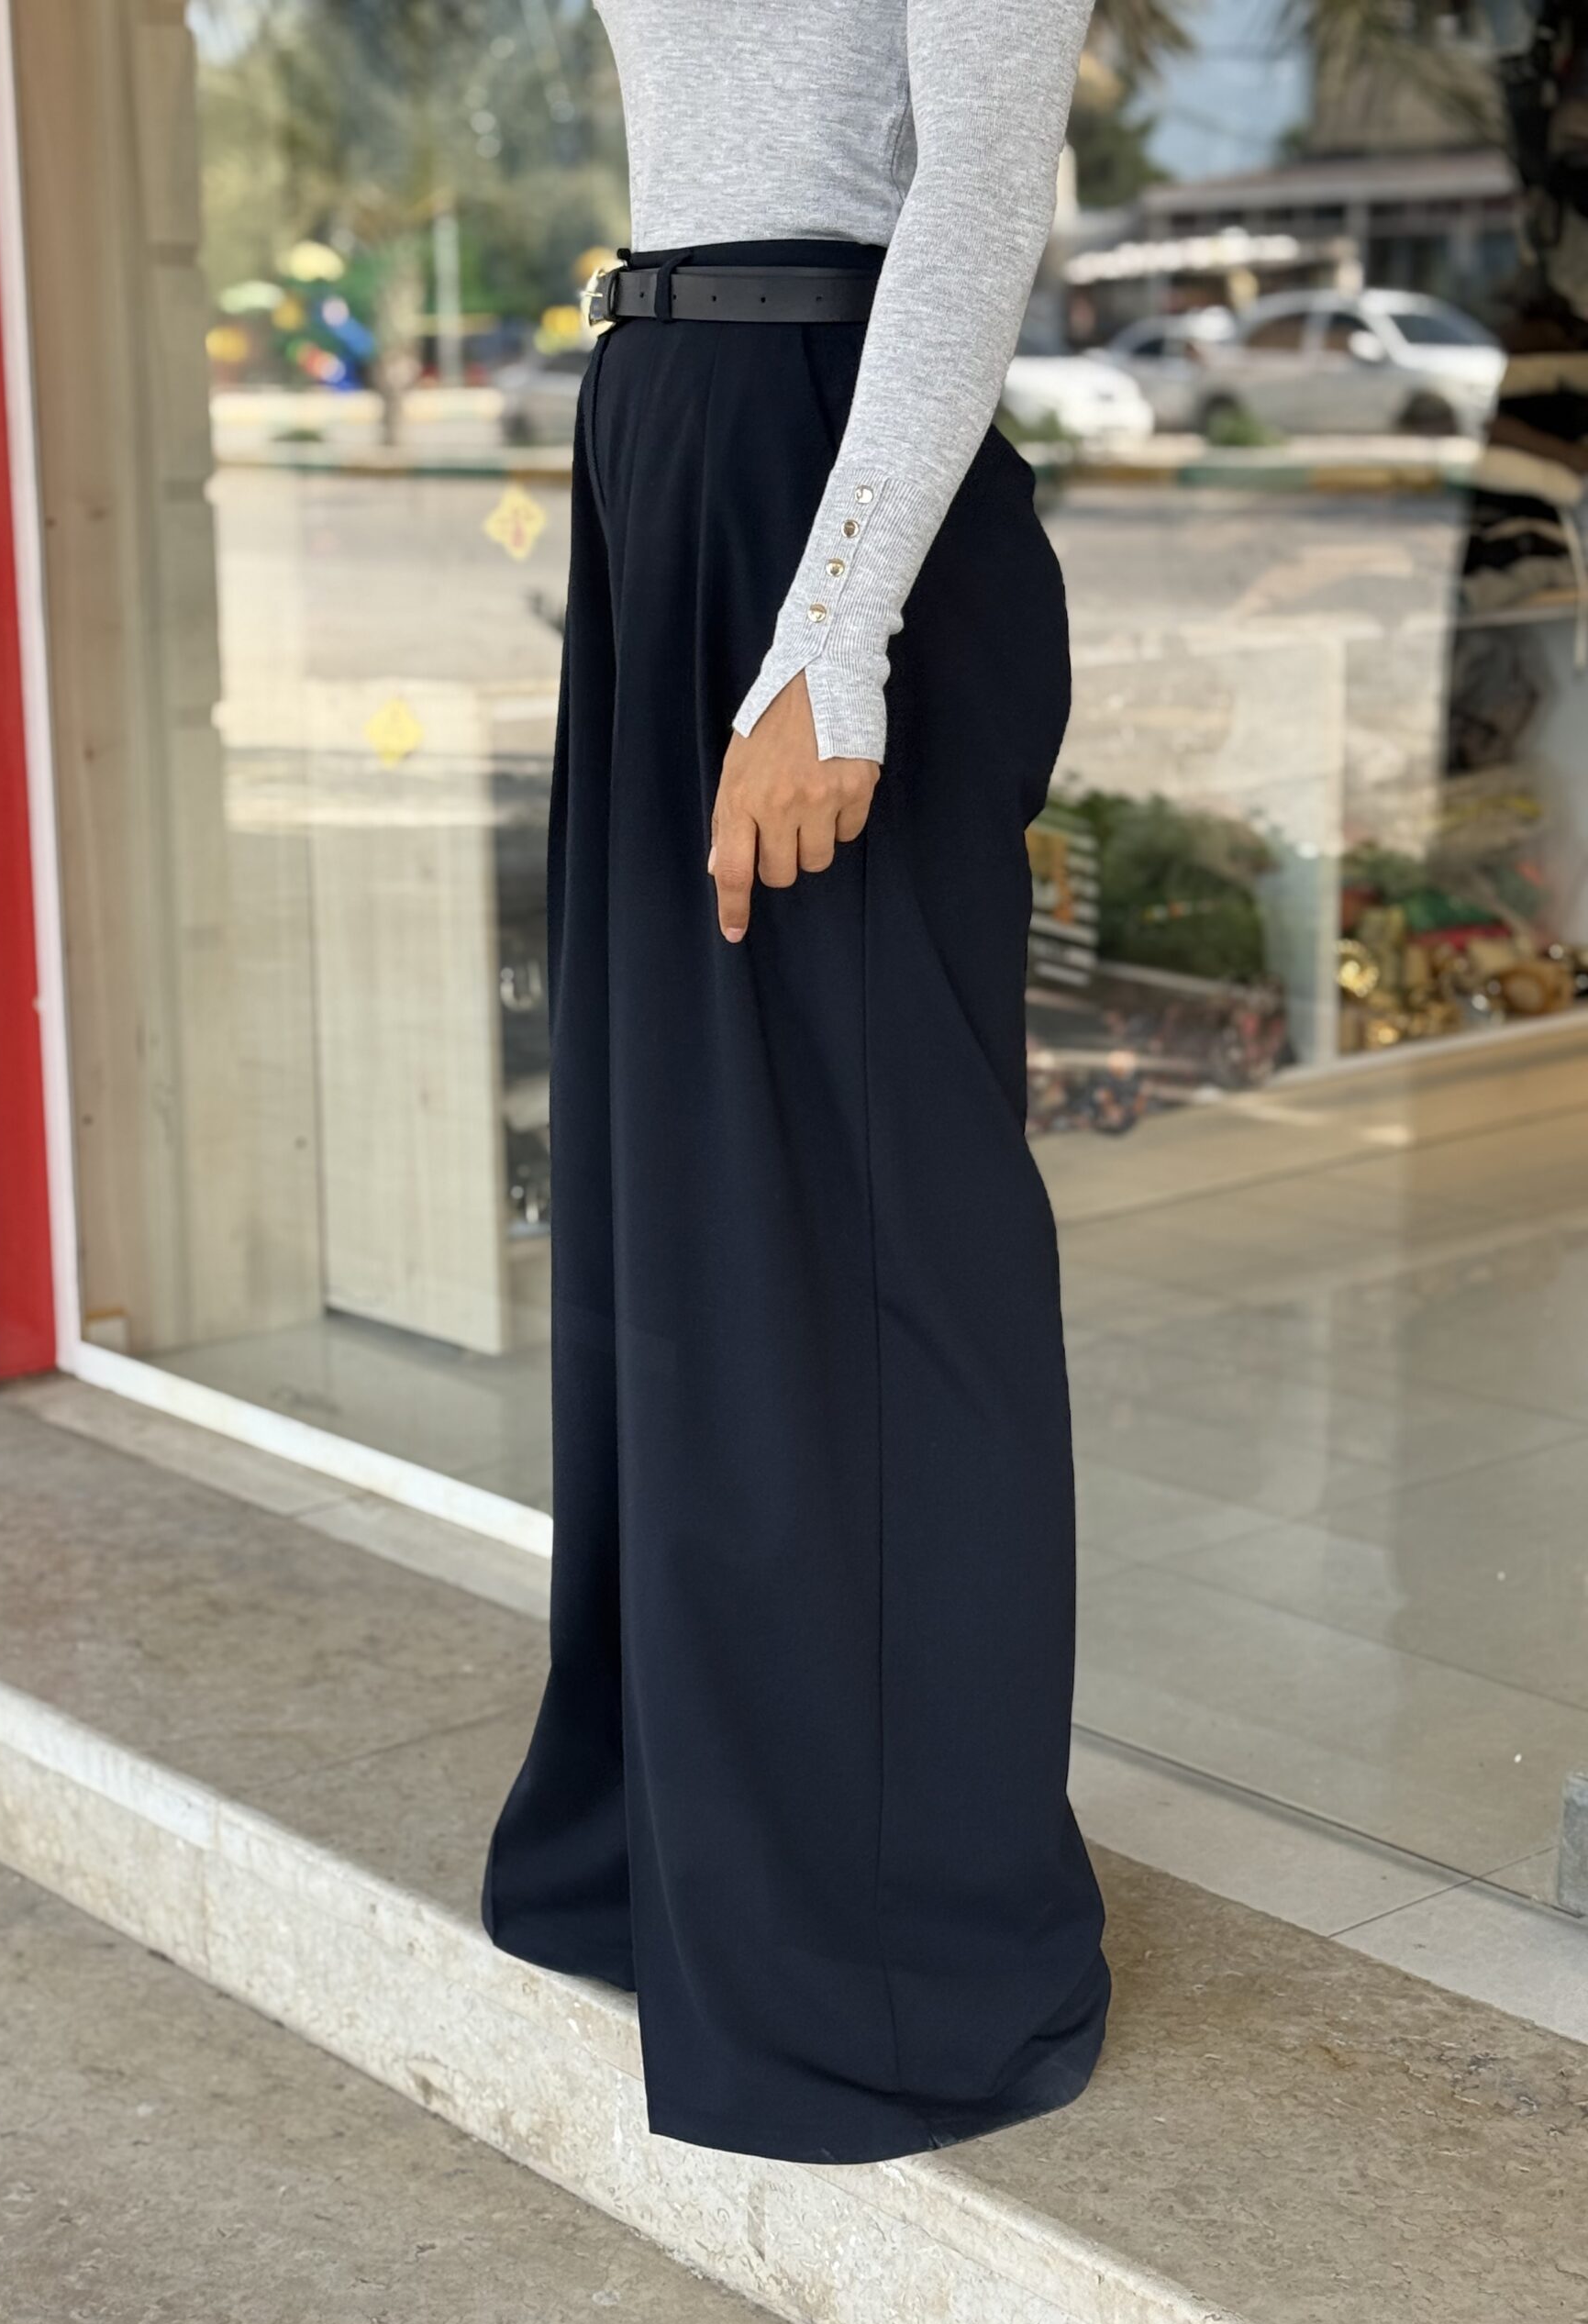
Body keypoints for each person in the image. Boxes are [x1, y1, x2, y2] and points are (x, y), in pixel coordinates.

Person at [481, 0, 1110, 2166]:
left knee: (872, 1249)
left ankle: (900, 1942)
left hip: (826, 486)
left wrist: (834, 638)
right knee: (680, 1219)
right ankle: (686, 1842)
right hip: (667, 444)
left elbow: (977, 198)